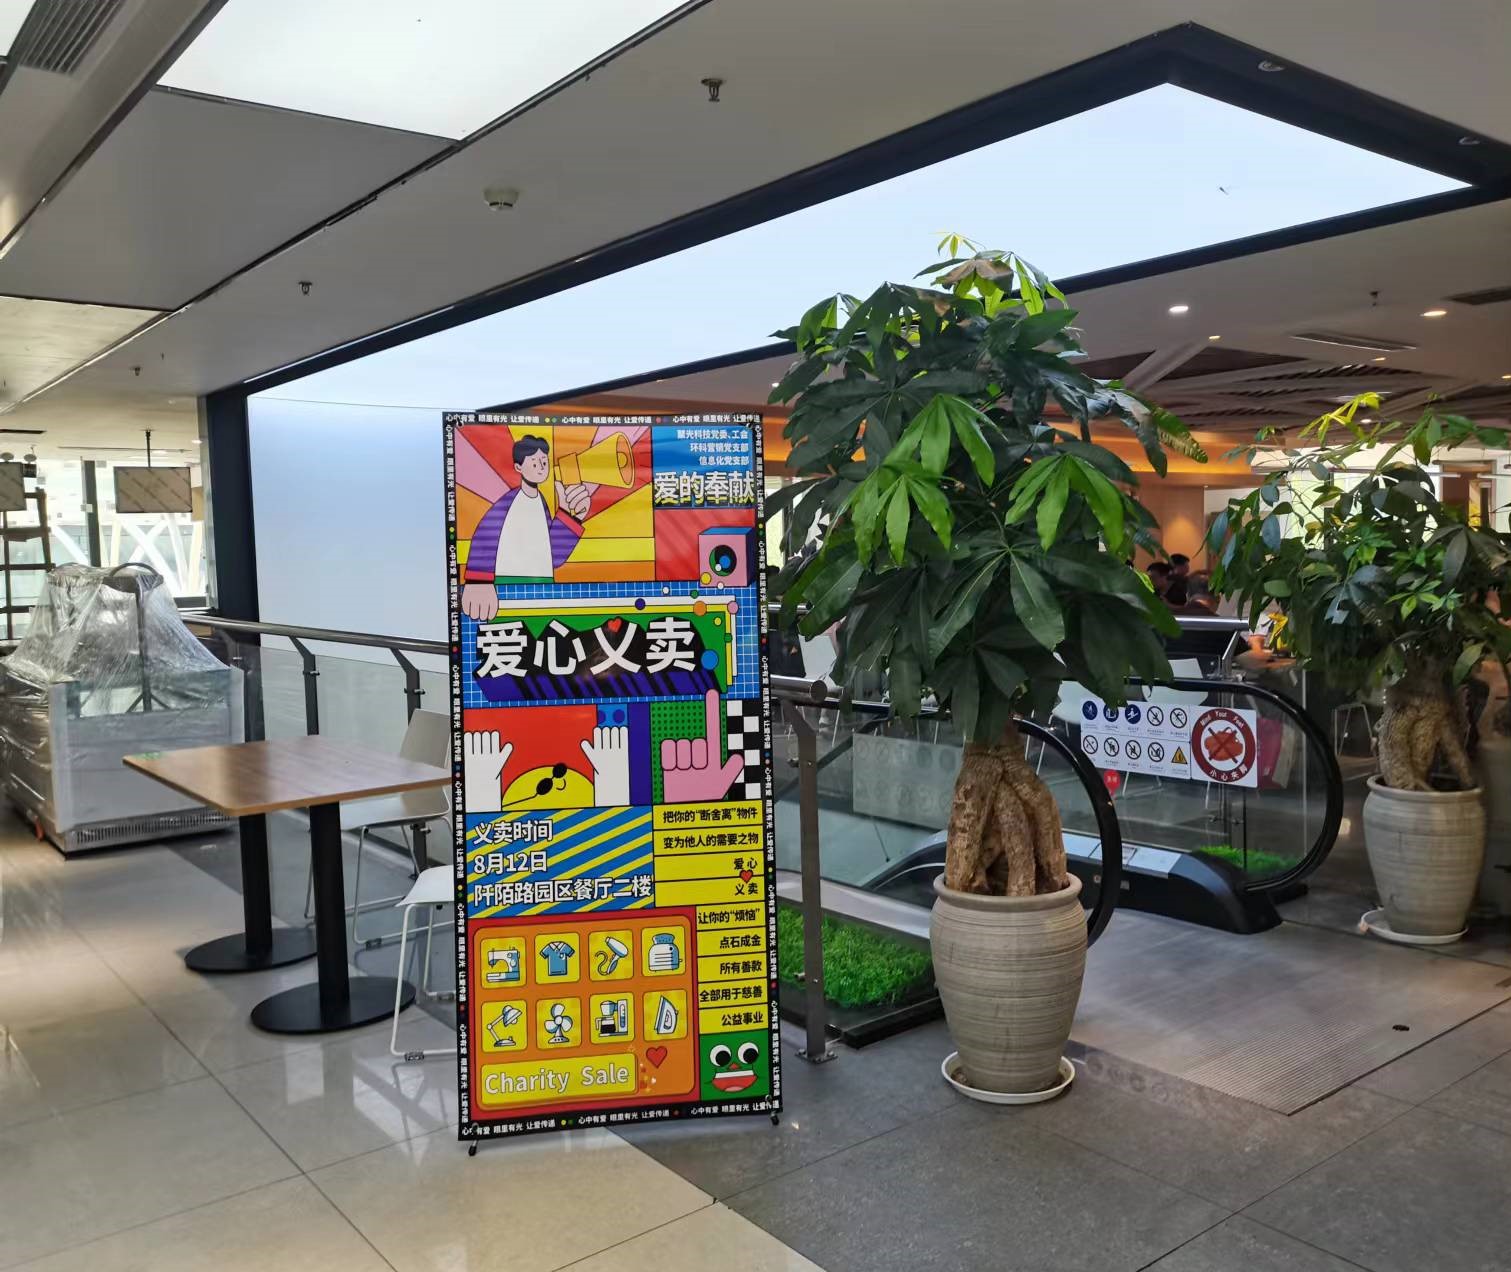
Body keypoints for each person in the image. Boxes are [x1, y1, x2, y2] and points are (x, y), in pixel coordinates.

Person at [461, 436, 590, 621]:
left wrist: (572, 517)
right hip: (506, 584)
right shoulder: (509, 502)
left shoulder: (541, 503)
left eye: (544, 462)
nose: (541, 467)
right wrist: (478, 581)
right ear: (518, 467)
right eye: (534, 463)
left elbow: (552, 555)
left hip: (543, 586)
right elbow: (485, 537)